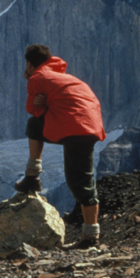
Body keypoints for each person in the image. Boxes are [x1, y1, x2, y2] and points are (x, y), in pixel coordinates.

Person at [14, 44, 106, 249]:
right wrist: (43, 105)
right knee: (35, 126)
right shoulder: (62, 77)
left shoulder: (38, 77)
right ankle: (31, 177)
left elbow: (30, 107)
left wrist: (37, 99)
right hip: (88, 124)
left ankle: (91, 237)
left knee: (80, 182)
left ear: (29, 63)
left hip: (77, 127)